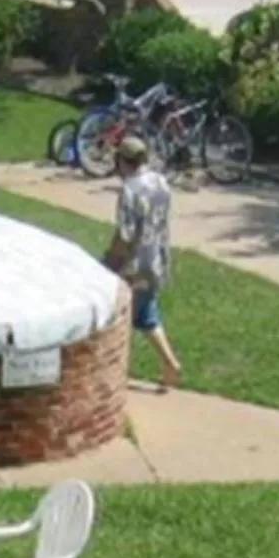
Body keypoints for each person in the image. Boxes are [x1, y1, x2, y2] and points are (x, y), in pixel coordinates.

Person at [105, 137, 182, 389]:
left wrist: (110, 261)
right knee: (147, 313)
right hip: (156, 259)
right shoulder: (160, 182)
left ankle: (114, 374)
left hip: (133, 266)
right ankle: (170, 363)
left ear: (122, 161)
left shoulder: (129, 190)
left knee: (119, 318)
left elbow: (125, 236)